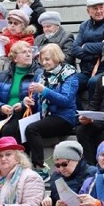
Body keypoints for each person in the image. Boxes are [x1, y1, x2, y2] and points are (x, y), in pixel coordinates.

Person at [23, 43, 79, 176]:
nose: (44, 62)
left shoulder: (69, 74)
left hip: (64, 117)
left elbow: (65, 100)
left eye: (47, 59)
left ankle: (40, 167)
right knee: (16, 128)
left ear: (56, 57)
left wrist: (45, 91)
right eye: (42, 59)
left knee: (31, 129)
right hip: (46, 116)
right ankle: (23, 168)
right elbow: (36, 99)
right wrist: (27, 101)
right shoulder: (41, 75)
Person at [0, 41, 43, 149]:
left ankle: (15, 161)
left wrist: (22, 105)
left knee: (9, 130)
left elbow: (37, 99)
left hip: (25, 113)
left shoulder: (39, 74)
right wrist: (1, 107)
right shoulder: (2, 75)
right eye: (24, 52)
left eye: (30, 51)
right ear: (15, 59)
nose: (29, 54)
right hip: (4, 113)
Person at [72, 0, 104, 104]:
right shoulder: (84, 26)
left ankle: (93, 113)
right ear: (88, 11)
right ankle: (78, 113)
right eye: (95, 8)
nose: (99, 11)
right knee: (70, 83)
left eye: (101, 8)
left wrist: (86, 46)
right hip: (86, 70)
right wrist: (95, 54)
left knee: (94, 82)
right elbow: (75, 49)